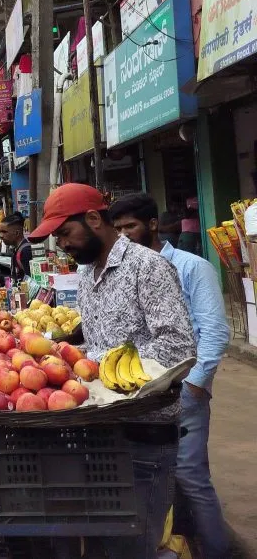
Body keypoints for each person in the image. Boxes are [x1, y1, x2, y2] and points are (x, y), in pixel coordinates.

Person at [27, 183, 196, 559]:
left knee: (136, 546)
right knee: (107, 543)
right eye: (56, 238)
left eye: (65, 233)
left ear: (92, 220)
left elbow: (179, 347)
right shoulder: (87, 274)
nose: (61, 245)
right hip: (101, 434)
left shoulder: (148, 267)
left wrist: (104, 366)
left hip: (146, 438)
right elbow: (100, 343)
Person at [110, 193, 232, 559]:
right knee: (157, 478)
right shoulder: (126, 270)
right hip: (145, 394)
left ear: (151, 225)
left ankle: (216, 551)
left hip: (185, 391)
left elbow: (214, 332)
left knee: (191, 478)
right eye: (117, 229)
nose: (124, 236)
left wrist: (196, 384)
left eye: (129, 226)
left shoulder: (193, 268)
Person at [0, 213, 33, 281]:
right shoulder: (17, 249)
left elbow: (32, 281)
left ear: (17, 233)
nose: (1, 236)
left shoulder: (26, 251)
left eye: (4, 232)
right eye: (0, 232)